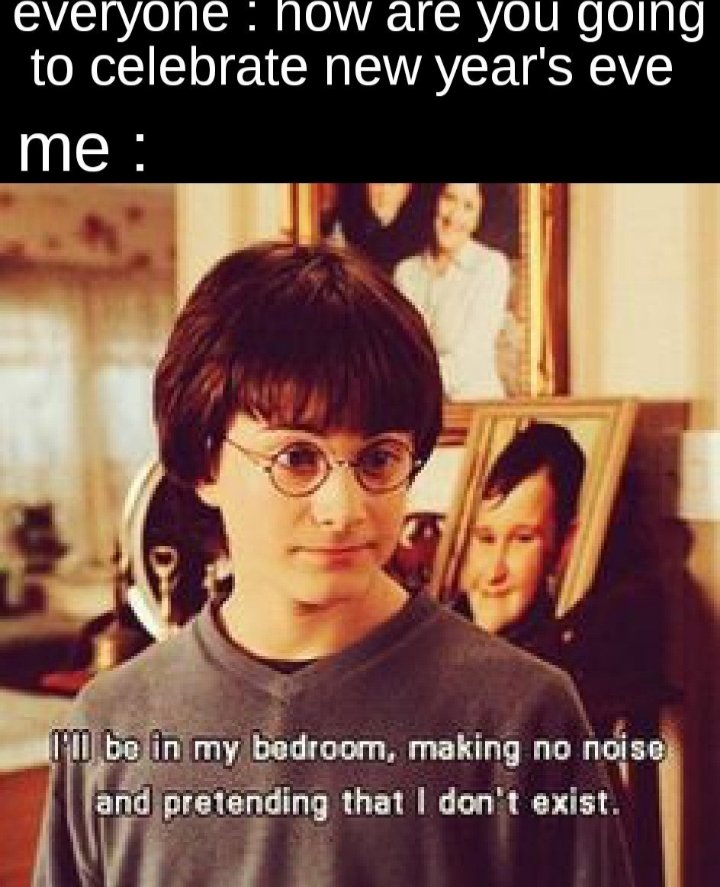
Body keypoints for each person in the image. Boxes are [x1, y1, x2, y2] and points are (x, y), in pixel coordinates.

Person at [34, 244, 633, 887]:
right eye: (296, 458)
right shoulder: (110, 726)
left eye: (378, 459)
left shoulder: (524, 715)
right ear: (207, 463)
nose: (344, 510)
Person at [457, 422, 586, 655]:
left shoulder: (559, 663)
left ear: (565, 544)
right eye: (486, 538)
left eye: (522, 539)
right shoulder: (434, 635)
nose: (494, 572)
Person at [394, 183, 513, 399]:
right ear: (434, 201)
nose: (455, 216)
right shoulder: (405, 272)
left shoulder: (491, 267)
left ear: (478, 217)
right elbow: (400, 351)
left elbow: (469, 357)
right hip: (420, 405)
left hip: (474, 405)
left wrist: (408, 385)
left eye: (468, 206)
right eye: (449, 198)